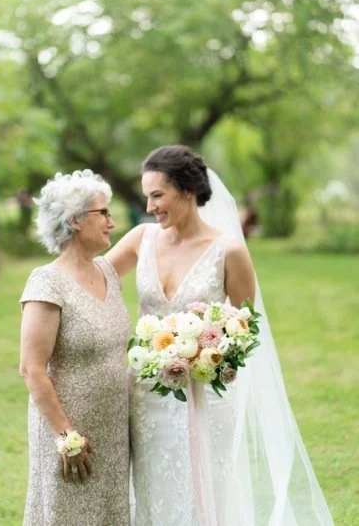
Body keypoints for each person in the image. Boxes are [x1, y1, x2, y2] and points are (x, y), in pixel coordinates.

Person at [106, 145, 334, 526]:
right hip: (147, 397)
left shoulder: (228, 251)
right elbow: (91, 282)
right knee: (151, 488)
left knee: (206, 493)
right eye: (147, 196)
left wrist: (205, 356)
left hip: (207, 398)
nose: (150, 206)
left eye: (157, 195)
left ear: (188, 190)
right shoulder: (141, 239)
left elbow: (245, 331)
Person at [19, 169, 131, 526]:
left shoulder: (108, 273)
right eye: (104, 213)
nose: (112, 223)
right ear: (75, 220)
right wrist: (67, 436)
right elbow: (31, 368)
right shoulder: (47, 282)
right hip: (69, 430)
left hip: (113, 428)